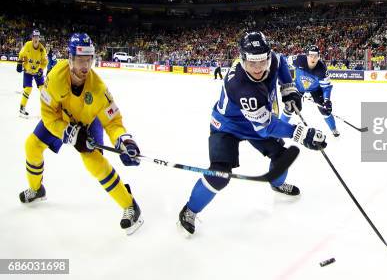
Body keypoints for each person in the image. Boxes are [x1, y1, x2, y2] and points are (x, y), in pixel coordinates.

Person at [177, 32, 327, 236]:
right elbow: (265, 127)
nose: (257, 69)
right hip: (227, 126)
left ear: (267, 56)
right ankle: (190, 210)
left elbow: (281, 61)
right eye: (252, 63)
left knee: (282, 156)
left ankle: (277, 184)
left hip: (256, 121)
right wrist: (301, 133)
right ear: (242, 59)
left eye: (262, 62)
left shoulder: (272, 58)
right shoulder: (241, 86)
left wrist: (288, 89)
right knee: (220, 174)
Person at [18, 33, 143, 235]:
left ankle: (130, 205)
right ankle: (36, 189)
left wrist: (124, 140)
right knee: (32, 145)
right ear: (70, 59)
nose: (85, 67)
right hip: (60, 120)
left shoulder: (98, 88)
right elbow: (48, 114)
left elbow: (113, 122)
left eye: (89, 60)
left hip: (87, 122)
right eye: (80, 60)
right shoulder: (54, 77)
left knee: (95, 164)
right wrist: (66, 131)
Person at [280, 45, 338, 137]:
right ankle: (279, 128)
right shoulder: (298, 59)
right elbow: (282, 62)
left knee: (325, 110)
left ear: (319, 57)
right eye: (310, 55)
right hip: (299, 87)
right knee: (289, 107)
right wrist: (282, 77)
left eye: (316, 55)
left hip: (315, 89)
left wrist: (327, 100)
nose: (313, 58)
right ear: (306, 55)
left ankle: (334, 129)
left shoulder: (322, 69)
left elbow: (326, 87)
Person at [17, 29, 47, 118]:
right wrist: (19, 63)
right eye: (34, 36)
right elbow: (21, 54)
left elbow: (45, 62)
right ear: (32, 37)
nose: (36, 38)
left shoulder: (42, 49)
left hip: (37, 72)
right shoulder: (27, 45)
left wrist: (41, 70)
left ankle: (47, 110)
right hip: (28, 71)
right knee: (28, 89)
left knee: (43, 89)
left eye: (37, 36)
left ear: (39, 38)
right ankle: (22, 108)